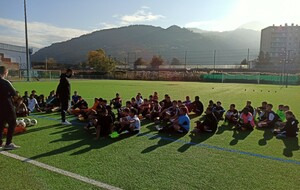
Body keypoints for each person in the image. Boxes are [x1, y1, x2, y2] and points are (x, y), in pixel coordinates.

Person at [0, 66, 20, 150]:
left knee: (1, 124)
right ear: (5, 72)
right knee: (12, 123)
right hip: (7, 106)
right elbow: (15, 94)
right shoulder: (6, 82)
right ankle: (8, 143)